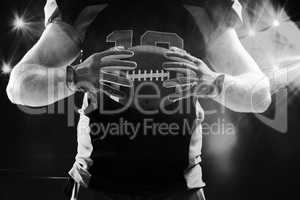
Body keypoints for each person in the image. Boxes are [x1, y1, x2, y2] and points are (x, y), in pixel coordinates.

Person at [6, 0, 271, 199]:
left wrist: (215, 82)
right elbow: (18, 86)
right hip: (96, 185)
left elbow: (259, 95)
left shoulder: (200, 10)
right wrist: (75, 77)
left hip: (178, 187)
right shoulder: (90, 8)